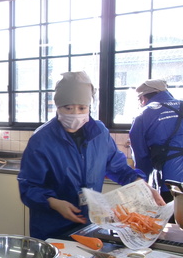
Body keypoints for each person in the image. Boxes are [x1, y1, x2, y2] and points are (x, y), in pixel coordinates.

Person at [18, 71, 163, 241]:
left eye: (82, 108)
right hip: (52, 228)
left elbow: (119, 168)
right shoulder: (41, 140)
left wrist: (143, 186)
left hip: (89, 225)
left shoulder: (99, 133)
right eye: (68, 108)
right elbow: (29, 187)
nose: (75, 113)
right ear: (57, 107)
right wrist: (54, 203)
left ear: (89, 106)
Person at [129, 79, 183, 203]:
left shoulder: (142, 115)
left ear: (143, 98)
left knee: (173, 220)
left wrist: (142, 182)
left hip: (172, 184)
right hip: (175, 179)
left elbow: (141, 158)